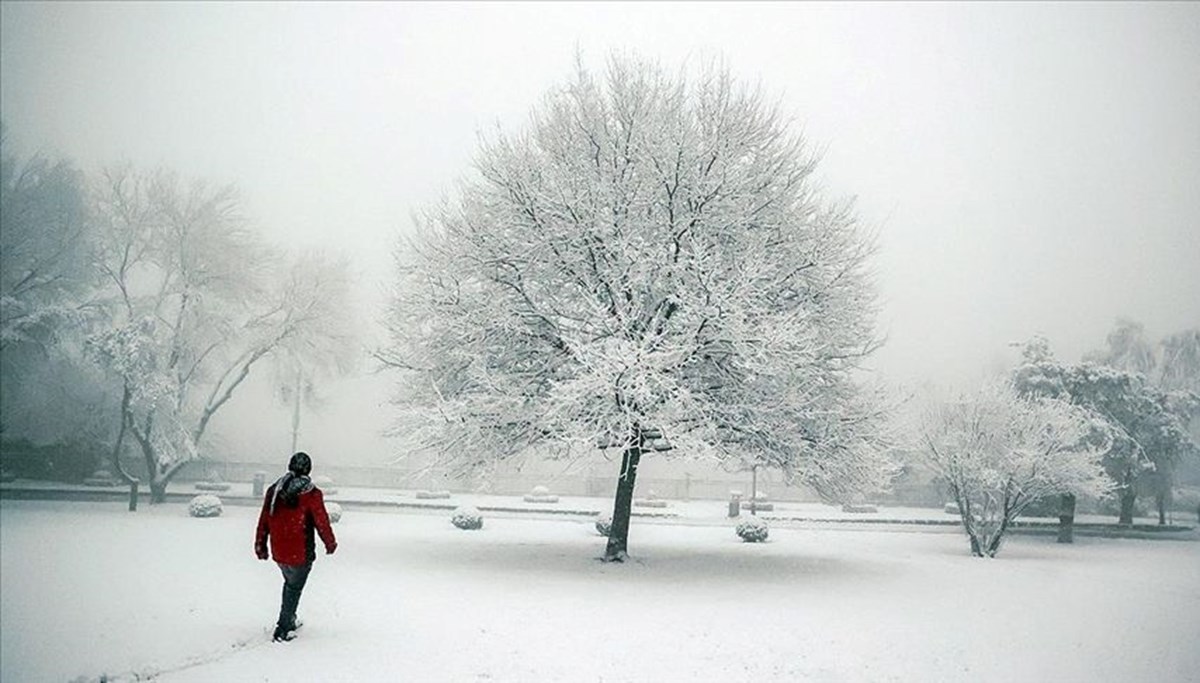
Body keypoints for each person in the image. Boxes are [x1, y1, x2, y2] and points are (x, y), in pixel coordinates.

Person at [254, 451, 337, 642]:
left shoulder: (275, 490)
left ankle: (290, 619)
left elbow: (265, 518)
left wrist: (261, 545)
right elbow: (321, 521)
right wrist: (330, 543)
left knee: (290, 584)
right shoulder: (311, 493)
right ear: (308, 469)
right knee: (294, 587)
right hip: (301, 553)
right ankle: (283, 628)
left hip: (279, 551)